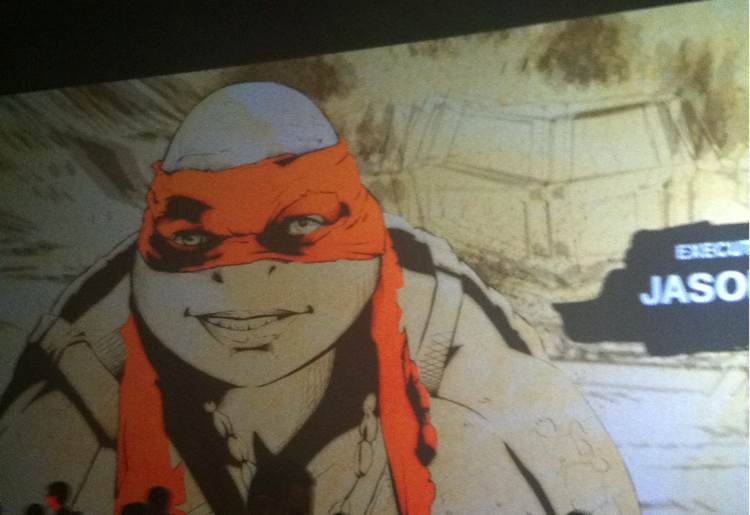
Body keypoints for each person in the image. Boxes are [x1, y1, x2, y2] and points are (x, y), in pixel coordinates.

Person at [0, 82, 639, 514]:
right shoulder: (81, 382)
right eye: (193, 239)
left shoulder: (453, 343)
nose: (243, 282)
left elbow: (577, 479)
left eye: (299, 227)